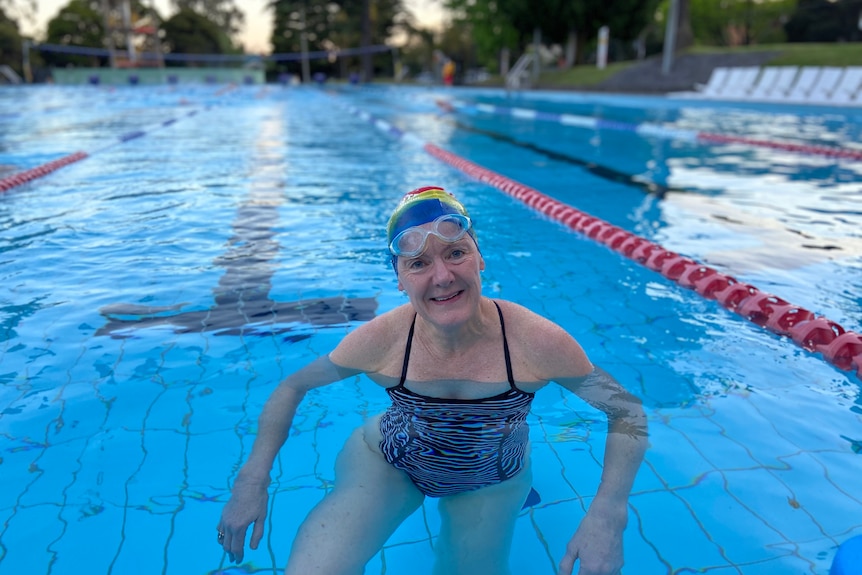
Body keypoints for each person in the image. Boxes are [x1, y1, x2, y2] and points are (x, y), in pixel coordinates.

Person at [217, 186, 648, 575]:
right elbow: (292, 387)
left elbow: (624, 409)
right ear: (400, 279)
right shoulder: (381, 340)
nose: (442, 276)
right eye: (419, 263)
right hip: (390, 463)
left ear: (479, 257)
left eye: (456, 253)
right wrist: (252, 480)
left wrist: (609, 512)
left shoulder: (534, 342)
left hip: (492, 478)